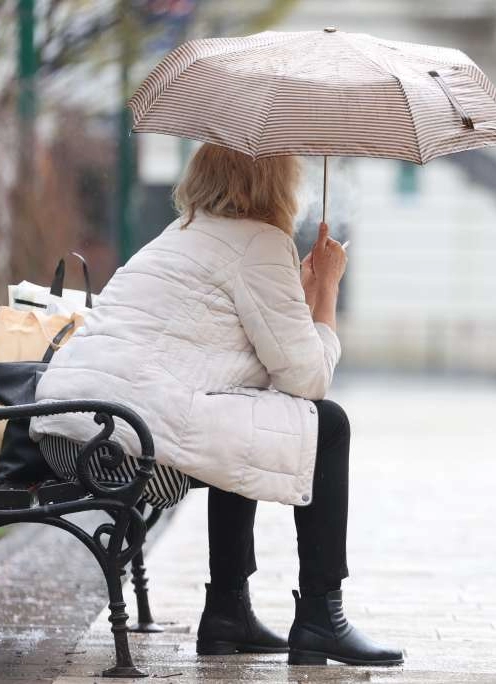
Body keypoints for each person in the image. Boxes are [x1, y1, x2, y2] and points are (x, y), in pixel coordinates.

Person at [29, 144, 403, 667]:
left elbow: (230, 344)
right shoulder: (260, 243)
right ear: (276, 183)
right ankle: (322, 616)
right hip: (130, 455)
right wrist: (326, 293)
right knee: (329, 426)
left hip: (67, 435)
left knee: (241, 417)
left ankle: (228, 610)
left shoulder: (176, 235)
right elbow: (309, 380)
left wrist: (299, 290)